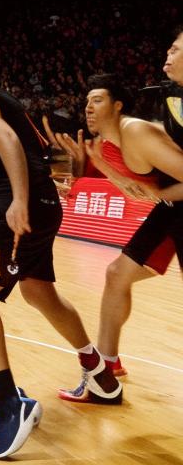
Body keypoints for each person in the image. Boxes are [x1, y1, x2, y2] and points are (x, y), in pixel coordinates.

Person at [0, 25, 121, 460]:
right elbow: (5, 151)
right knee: (37, 290)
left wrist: (20, 201)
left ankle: (11, 403)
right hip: (35, 200)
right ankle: (98, 371)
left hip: (15, 206)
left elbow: (10, 141)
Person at [49, 69, 183, 385]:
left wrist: (160, 194)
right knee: (115, 274)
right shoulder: (107, 145)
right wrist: (96, 171)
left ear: (118, 105)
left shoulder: (136, 132)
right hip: (170, 210)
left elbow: (158, 190)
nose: (88, 108)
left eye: (97, 100)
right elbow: (134, 192)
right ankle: (107, 363)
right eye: (86, 102)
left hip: (176, 204)